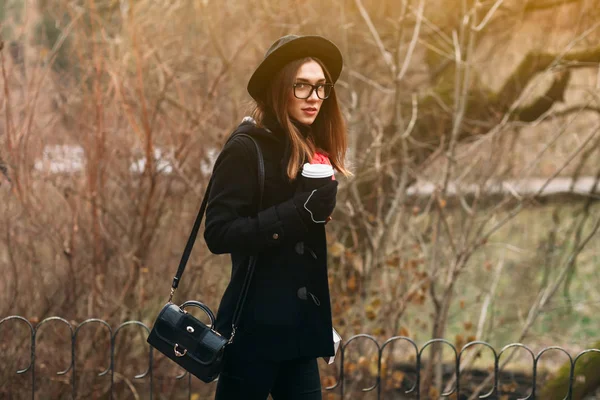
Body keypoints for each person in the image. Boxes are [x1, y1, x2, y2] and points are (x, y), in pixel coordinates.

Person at [204, 34, 351, 399]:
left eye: (320, 87)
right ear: (279, 88)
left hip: (300, 332)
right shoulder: (246, 148)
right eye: (302, 85)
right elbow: (219, 233)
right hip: (254, 332)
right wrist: (297, 213)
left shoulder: (311, 152)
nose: (314, 97)